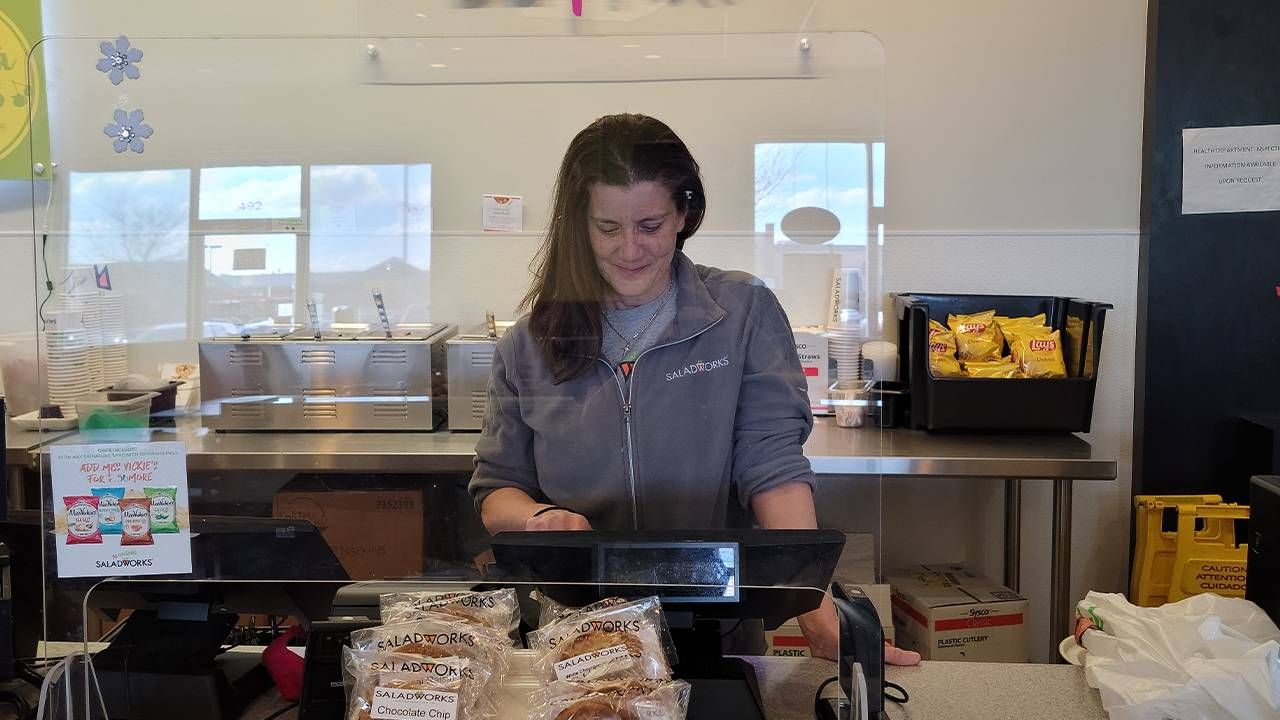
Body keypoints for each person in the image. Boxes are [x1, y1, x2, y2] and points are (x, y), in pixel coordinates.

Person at [469, 113, 886, 662]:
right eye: (608, 229)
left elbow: (772, 464)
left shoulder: (741, 312)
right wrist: (536, 518)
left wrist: (811, 601)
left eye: (650, 226)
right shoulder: (530, 341)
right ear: (578, 224)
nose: (630, 250)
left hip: (716, 629)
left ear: (684, 214)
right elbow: (497, 486)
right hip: (576, 639)